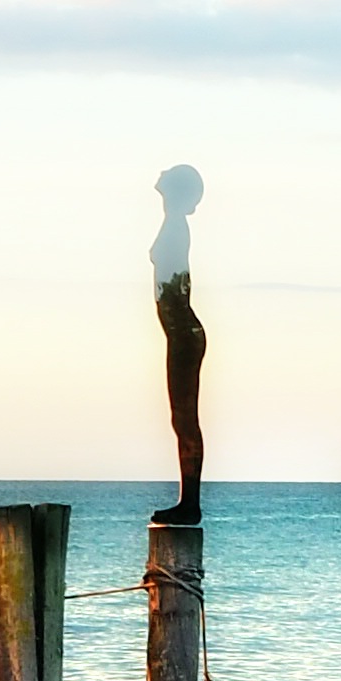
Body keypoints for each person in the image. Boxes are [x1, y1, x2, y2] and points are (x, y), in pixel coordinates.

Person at [151, 165, 207, 524]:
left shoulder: (175, 226)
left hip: (184, 334)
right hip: (179, 332)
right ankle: (188, 500)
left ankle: (191, 502)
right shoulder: (173, 223)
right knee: (180, 418)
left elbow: (177, 285)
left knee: (185, 418)